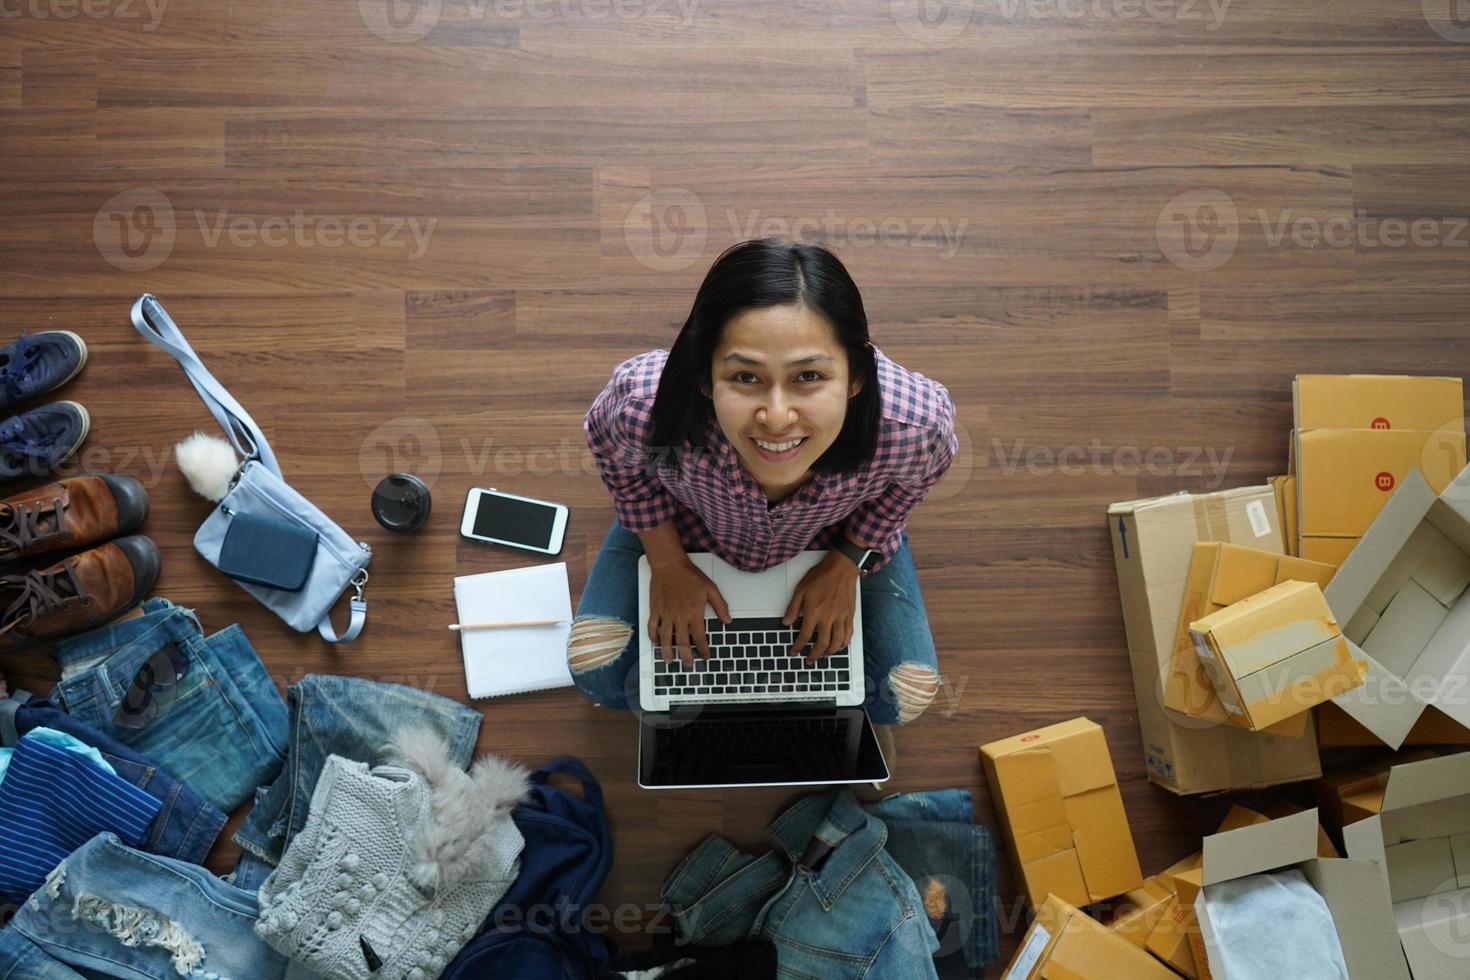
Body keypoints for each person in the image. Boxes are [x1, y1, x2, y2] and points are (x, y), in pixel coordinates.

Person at [568, 238, 957, 725]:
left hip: (837, 538)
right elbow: (614, 456)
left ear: (857, 377)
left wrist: (848, 560)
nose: (776, 418)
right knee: (597, 677)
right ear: (705, 377)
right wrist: (665, 561)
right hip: (683, 527)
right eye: (746, 378)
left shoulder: (913, 428)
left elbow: (911, 484)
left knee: (902, 699)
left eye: (809, 376)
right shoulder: (641, 405)